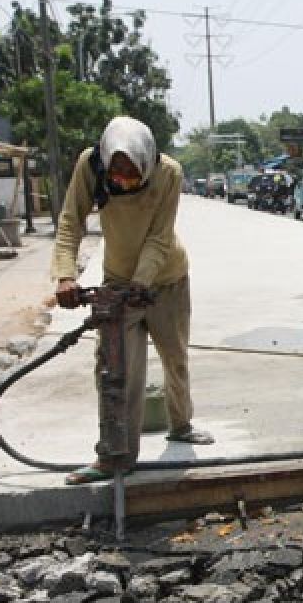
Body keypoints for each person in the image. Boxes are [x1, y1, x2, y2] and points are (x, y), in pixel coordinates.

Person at [51, 115, 213, 486]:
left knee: (175, 356)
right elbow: (70, 220)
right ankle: (115, 453)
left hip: (167, 279)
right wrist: (65, 275)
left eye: (132, 172)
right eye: (117, 172)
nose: (124, 179)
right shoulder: (89, 165)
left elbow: (159, 236)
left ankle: (181, 424)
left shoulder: (168, 173)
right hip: (118, 278)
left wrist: (140, 284)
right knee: (116, 369)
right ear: (107, 162)